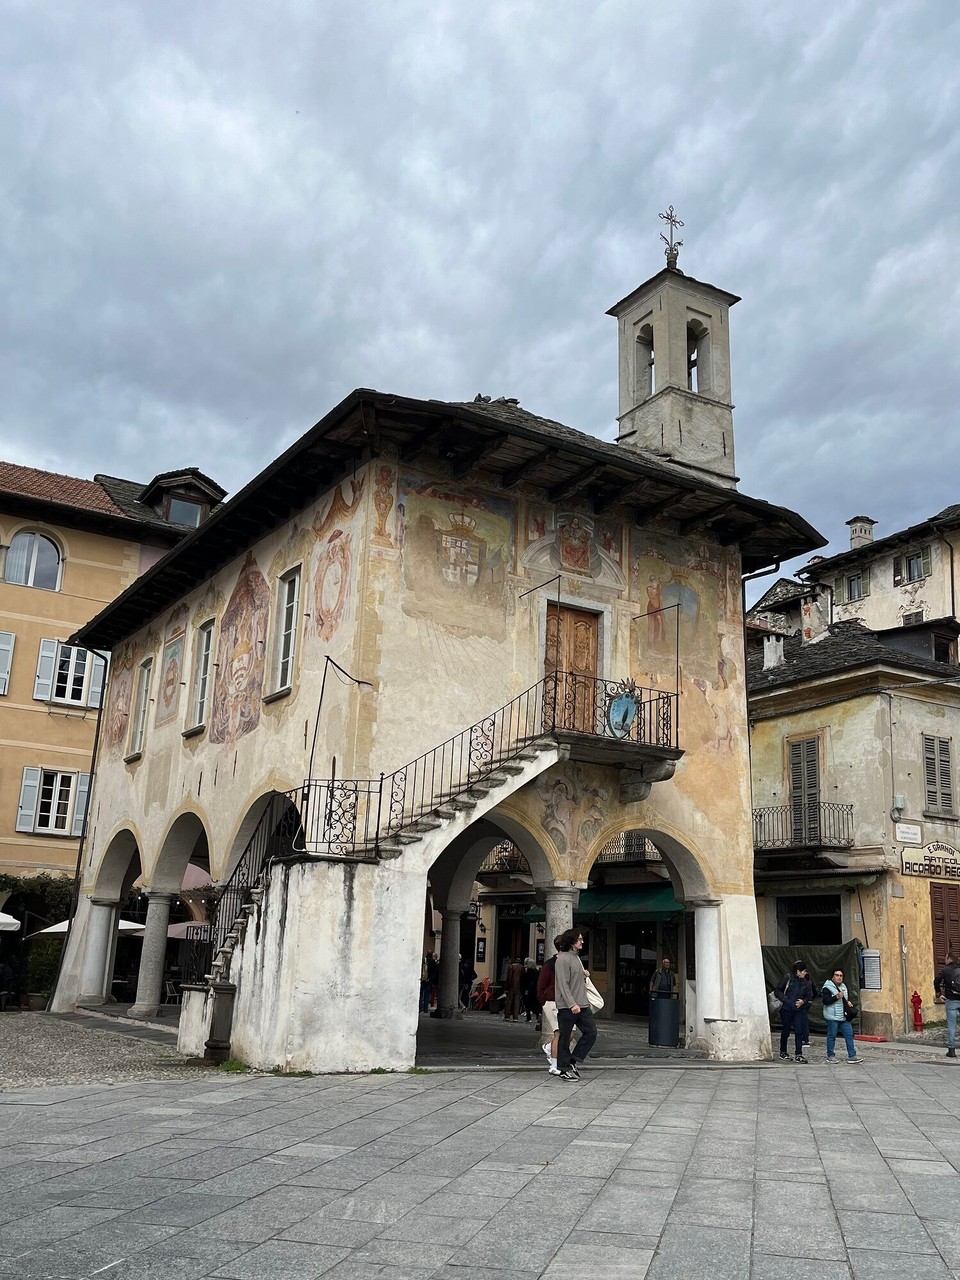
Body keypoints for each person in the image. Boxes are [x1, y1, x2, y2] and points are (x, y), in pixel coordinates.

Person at [554, 928, 597, 1080]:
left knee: (591, 1032)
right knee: (565, 1037)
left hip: (582, 1004)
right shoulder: (562, 959)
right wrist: (572, 1004)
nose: (582, 941)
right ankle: (563, 1069)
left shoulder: (576, 958)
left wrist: (583, 975)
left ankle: (573, 1061)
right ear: (572, 942)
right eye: (579, 939)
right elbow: (563, 984)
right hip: (568, 1006)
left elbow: (573, 981)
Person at [775, 961, 814, 1063]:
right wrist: (786, 1000)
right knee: (786, 1031)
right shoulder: (788, 978)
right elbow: (778, 991)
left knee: (799, 1031)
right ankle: (783, 1052)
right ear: (798, 971)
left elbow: (809, 996)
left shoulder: (805, 982)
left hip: (798, 1010)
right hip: (786, 1009)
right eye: (803, 971)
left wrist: (803, 1001)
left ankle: (798, 1054)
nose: (805, 973)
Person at [821, 968, 862, 1063]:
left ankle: (852, 1055)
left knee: (849, 1034)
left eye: (841, 975)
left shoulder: (843, 986)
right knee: (832, 1036)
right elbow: (825, 1001)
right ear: (832, 976)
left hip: (843, 1016)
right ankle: (830, 1055)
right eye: (837, 975)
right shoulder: (827, 987)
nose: (839, 977)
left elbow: (843, 1000)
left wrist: (847, 1003)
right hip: (832, 1016)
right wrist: (836, 997)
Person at [933, 950, 960, 1059]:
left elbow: (936, 981)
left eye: (945, 958)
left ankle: (951, 1050)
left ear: (949, 959)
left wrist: (939, 994)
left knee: (951, 1025)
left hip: (951, 1000)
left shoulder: (945, 970)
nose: (944, 960)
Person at [521, 958, 540, 1024]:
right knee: (536, 1004)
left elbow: (524, 981)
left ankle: (528, 1018)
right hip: (535, 990)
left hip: (528, 990)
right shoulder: (537, 972)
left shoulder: (527, 972)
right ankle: (538, 1016)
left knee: (527, 1005)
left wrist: (524, 989)